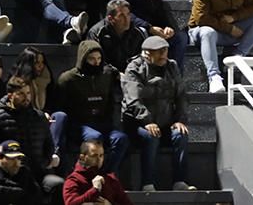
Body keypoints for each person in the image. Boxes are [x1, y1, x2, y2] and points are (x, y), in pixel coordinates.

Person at [121, 35, 195, 192]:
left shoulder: (171, 66)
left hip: (165, 121)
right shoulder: (134, 68)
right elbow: (133, 100)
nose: (164, 55)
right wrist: (147, 121)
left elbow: (181, 95)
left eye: (165, 51)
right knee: (151, 135)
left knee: (180, 134)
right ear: (147, 53)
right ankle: (148, 183)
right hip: (138, 123)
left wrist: (179, 119)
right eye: (159, 52)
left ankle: (180, 182)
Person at [57, 40, 129, 176]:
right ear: (83, 59)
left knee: (121, 139)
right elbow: (60, 106)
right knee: (95, 137)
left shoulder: (107, 74)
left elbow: (116, 75)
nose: (96, 62)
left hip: (103, 122)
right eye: (92, 59)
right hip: (79, 125)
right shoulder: (68, 79)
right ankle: (90, 175)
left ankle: (107, 174)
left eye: (99, 58)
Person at [0, 76, 63, 201]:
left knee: (58, 184)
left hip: (39, 172)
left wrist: (44, 162)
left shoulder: (39, 116)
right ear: (11, 96)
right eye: (21, 94)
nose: (26, 97)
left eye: (28, 93)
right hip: (13, 174)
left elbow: (49, 144)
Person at [111, 0, 187, 67]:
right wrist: (149, 27)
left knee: (180, 37)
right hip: (134, 28)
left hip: (152, 28)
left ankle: (173, 76)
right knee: (142, 33)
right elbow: (120, 12)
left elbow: (160, 12)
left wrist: (168, 27)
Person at [63, 139, 134, 205]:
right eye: (94, 156)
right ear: (82, 157)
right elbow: (70, 203)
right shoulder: (74, 180)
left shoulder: (111, 179)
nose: (99, 159)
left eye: (101, 155)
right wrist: (95, 189)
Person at [87, 0, 150, 73]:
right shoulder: (97, 33)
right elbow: (95, 61)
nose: (127, 19)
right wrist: (116, 73)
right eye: (121, 16)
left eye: (128, 14)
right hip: (107, 75)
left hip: (132, 74)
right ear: (111, 18)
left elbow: (144, 57)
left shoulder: (137, 33)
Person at [0, 139, 42, 205]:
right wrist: (21, 192)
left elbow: (35, 193)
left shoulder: (23, 171)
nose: (16, 162)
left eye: (19, 158)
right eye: (12, 159)